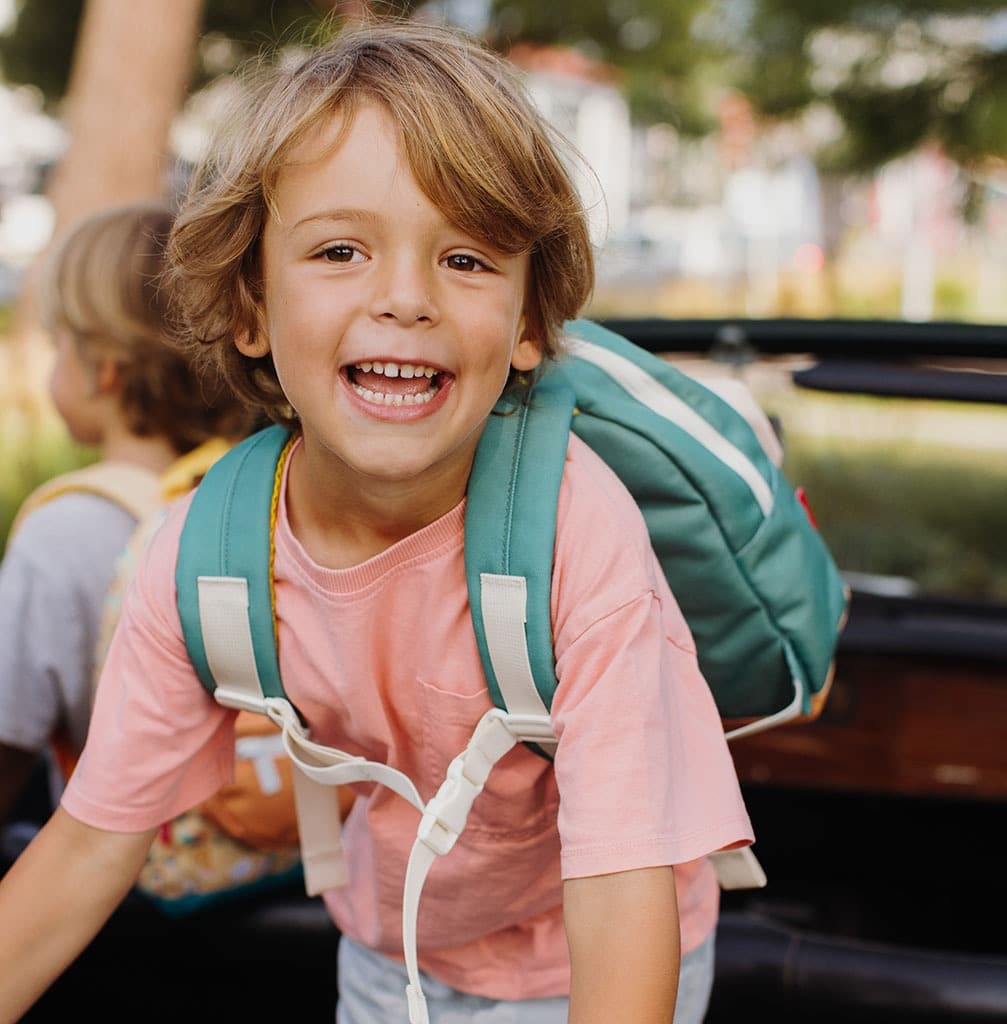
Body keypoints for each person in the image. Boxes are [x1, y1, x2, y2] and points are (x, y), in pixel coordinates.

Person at [0, 21, 753, 1023]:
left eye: (469, 259)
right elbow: (90, 840)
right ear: (251, 306)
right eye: (340, 249)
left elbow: (620, 887)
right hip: (391, 943)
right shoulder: (211, 551)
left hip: (586, 959)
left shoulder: (575, 535)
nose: (405, 297)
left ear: (528, 325)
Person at [0, 201, 253, 838]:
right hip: (279, 855)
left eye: (60, 344)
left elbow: (8, 736)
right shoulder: (264, 496)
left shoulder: (64, 531)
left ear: (103, 369)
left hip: (117, 884)